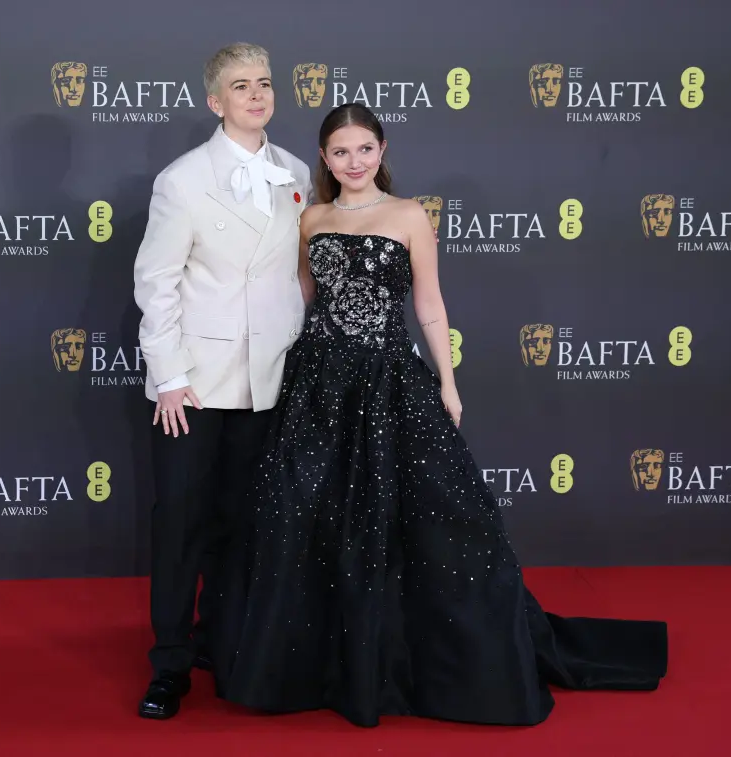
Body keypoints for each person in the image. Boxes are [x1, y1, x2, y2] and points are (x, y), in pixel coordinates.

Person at [215, 103, 668, 728]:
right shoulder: (309, 217)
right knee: (305, 517)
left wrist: (448, 383)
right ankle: (316, 665)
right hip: (318, 383)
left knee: (429, 521)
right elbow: (299, 300)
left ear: (382, 151)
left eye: (365, 149)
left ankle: (412, 661)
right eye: (341, 152)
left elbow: (428, 303)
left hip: (388, 380)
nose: (354, 162)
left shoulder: (408, 216)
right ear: (323, 158)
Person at [131, 42, 311, 720]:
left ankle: (227, 644)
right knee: (180, 522)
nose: (257, 96)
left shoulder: (296, 171)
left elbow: (298, 273)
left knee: (244, 523)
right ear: (216, 101)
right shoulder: (182, 180)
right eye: (242, 87)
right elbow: (157, 283)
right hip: (196, 386)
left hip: (268, 380)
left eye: (264, 83)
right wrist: (170, 377)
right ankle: (170, 662)